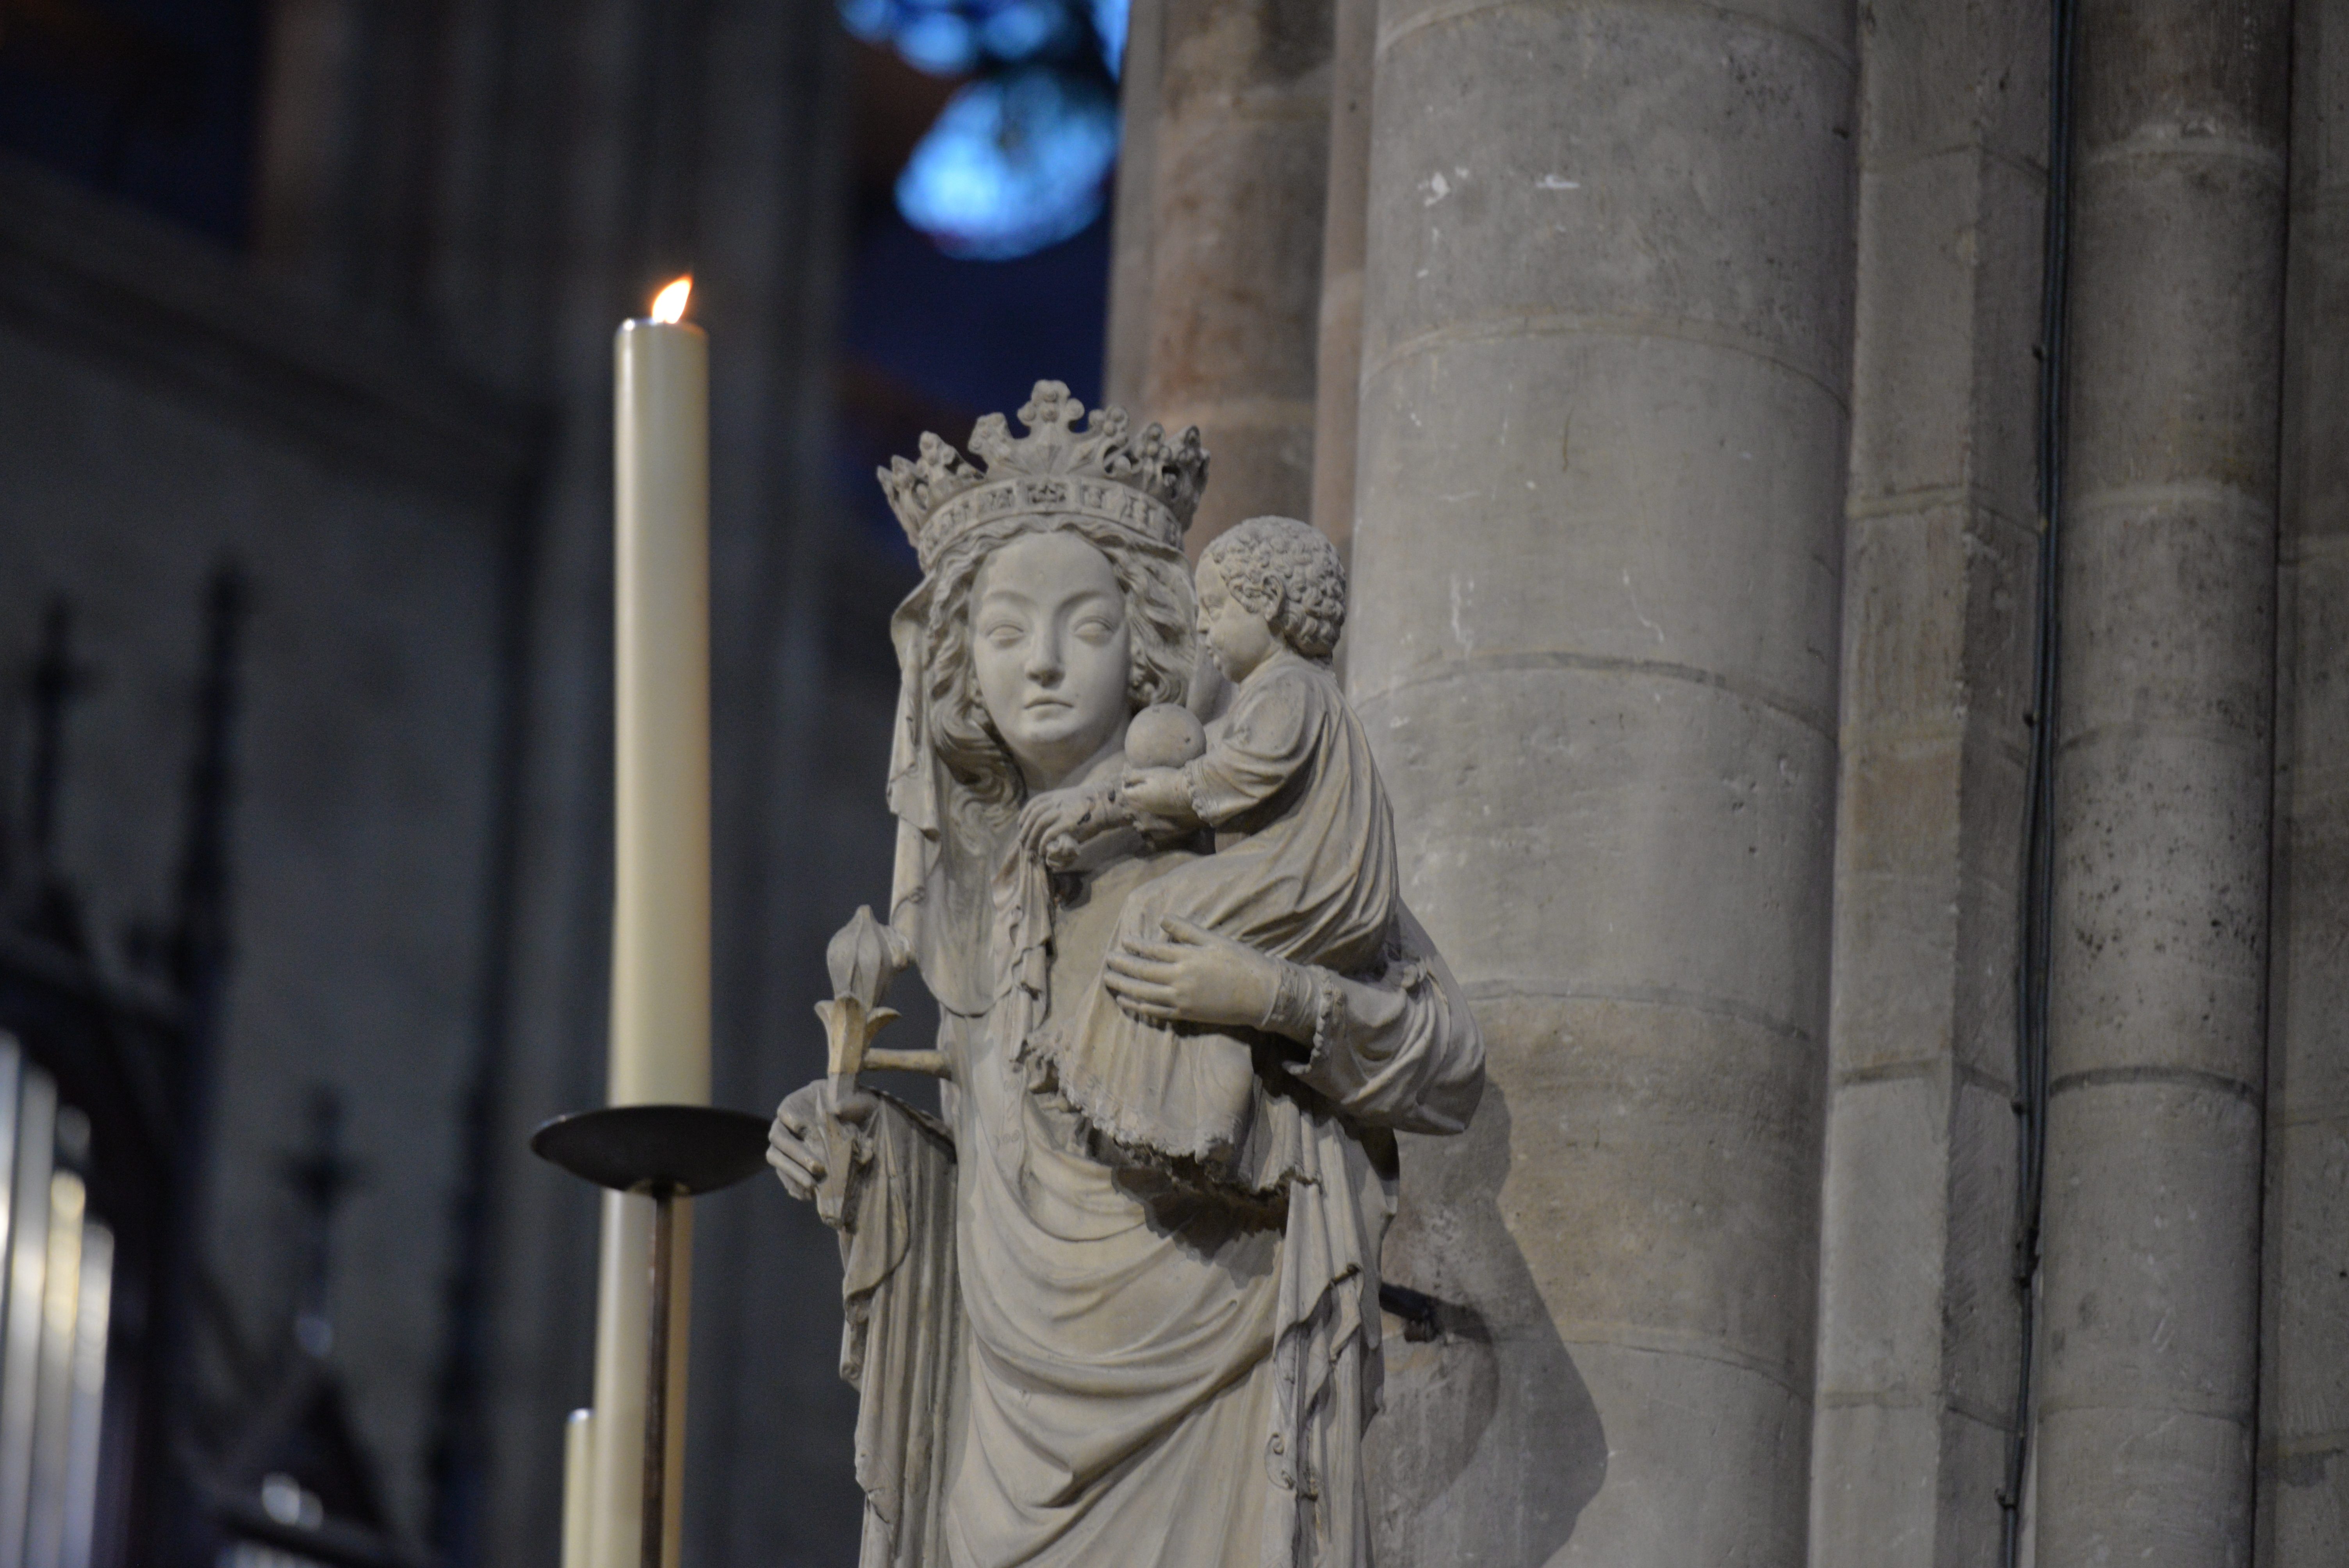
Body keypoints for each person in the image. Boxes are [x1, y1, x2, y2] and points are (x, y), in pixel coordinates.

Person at [763, 384, 1483, 1568]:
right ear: (956, 671)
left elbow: (1444, 1063)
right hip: (1005, 1424)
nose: (1040, 665)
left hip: (1220, 1363)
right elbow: (998, 1151)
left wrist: (1262, 1000)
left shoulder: (1241, 833)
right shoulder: (975, 896)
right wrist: (864, 1151)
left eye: (1084, 629)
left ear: (1150, 643)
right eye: (1003, 635)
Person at [1017, 517, 1397, 1194]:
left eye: (1216, 611)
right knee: (1167, 918)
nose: (1205, 633)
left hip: (1310, 879)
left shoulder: (1292, 691)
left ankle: (1182, 1118)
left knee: (1165, 912)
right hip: (1305, 872)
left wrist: (1166, 792)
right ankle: (1151, 1097)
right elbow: (1221, 743)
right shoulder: (1277, 695)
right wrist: (1118, 799)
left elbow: (1234, 774)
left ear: (1271, 603)